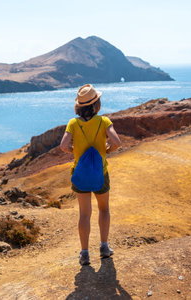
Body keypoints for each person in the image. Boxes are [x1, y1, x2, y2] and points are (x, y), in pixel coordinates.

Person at [60, 84, 121, 265]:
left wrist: (76, 152)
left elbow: (63, 146)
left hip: (80, 174)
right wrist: (107, 150)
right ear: (96, 104)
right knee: (104, 209)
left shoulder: (73, 123)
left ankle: (84, 253)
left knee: (84, 214)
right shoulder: (104, 121)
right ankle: (103, 247)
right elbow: (117, 141)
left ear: (79, 105)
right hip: (100, 173)